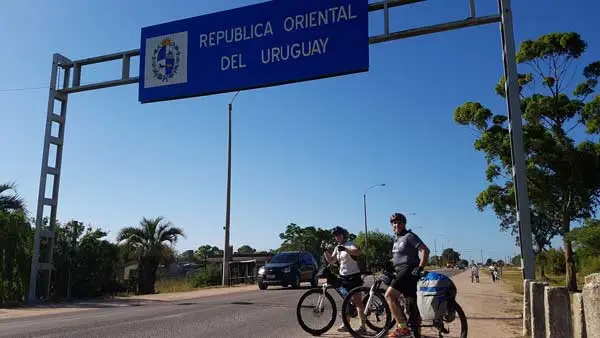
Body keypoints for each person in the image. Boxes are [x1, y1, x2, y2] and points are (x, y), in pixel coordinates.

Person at [385, 213, 430, 338]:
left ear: (404, 224)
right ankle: (413, 332)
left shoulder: (409, 236)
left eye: (399, 223)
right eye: (394, 223)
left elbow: (425, 250)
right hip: (400, 270)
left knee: (390, 295)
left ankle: (403, 328)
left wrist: (420, 266)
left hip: (408, 270)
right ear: (391, 225)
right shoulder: (396, 239)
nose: (396, 225)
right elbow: (398, 257)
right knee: (410, 304)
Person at [322, 226, 367, 334]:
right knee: (346, 302)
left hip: (353, 276)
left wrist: (346, 249)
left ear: (343, 234)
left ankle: (363, 327)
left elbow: (357, 252)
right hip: (343, 276)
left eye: (339, 234)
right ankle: (347, 324)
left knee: (357, 302)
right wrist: (325, 250)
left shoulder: (349, 244)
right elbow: (332, 261)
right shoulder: (338, 247)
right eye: (335, 235)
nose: (337, 236)